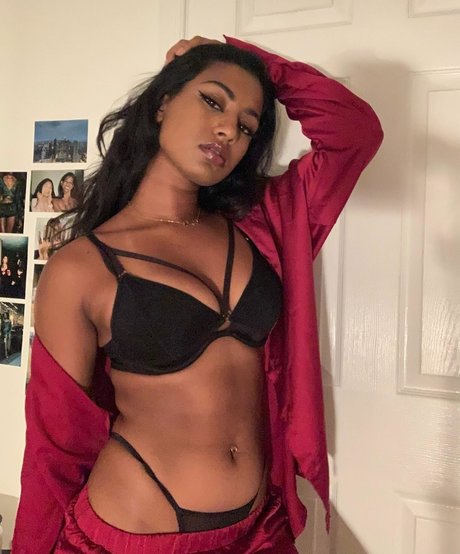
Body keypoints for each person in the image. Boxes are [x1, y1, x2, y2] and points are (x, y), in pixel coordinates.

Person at [13, 36, 383, 553]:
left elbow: (355, 132)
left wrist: (259, 67)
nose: (228, 129)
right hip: (137, 534)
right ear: (162, 103)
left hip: (259, 530)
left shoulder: (265, 224)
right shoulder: (82, 267)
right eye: (212, 100)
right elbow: (55, 445)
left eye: (247, 125)